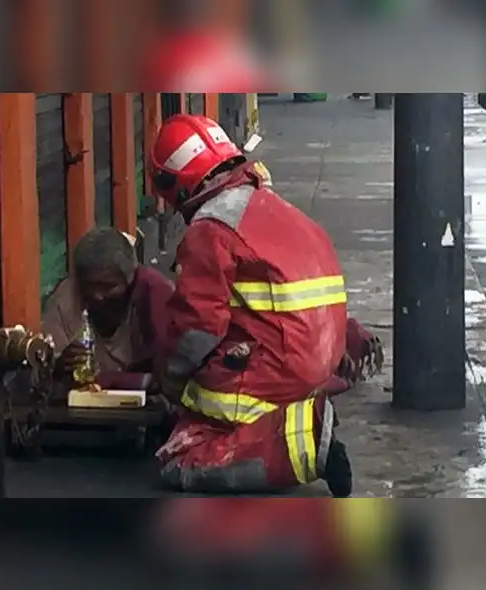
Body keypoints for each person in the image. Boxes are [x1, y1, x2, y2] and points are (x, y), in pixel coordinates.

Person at [146, 113, 355, 497]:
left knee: (178, 461)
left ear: (176, 184)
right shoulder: (271, 207)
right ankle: (293, 418)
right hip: (317, 359)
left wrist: (169, 379)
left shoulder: (211, 229)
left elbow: (196, 328)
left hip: (281, 366)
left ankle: (301, 445)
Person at [42, 228, 174, 392]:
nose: (97, 295)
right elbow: (44, 372)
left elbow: (169, 374)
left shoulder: (155, 293)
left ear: (130, 278)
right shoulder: (66, 299)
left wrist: (115, 380)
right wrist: (59, 366)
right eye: (89, 285)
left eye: (108, 286)